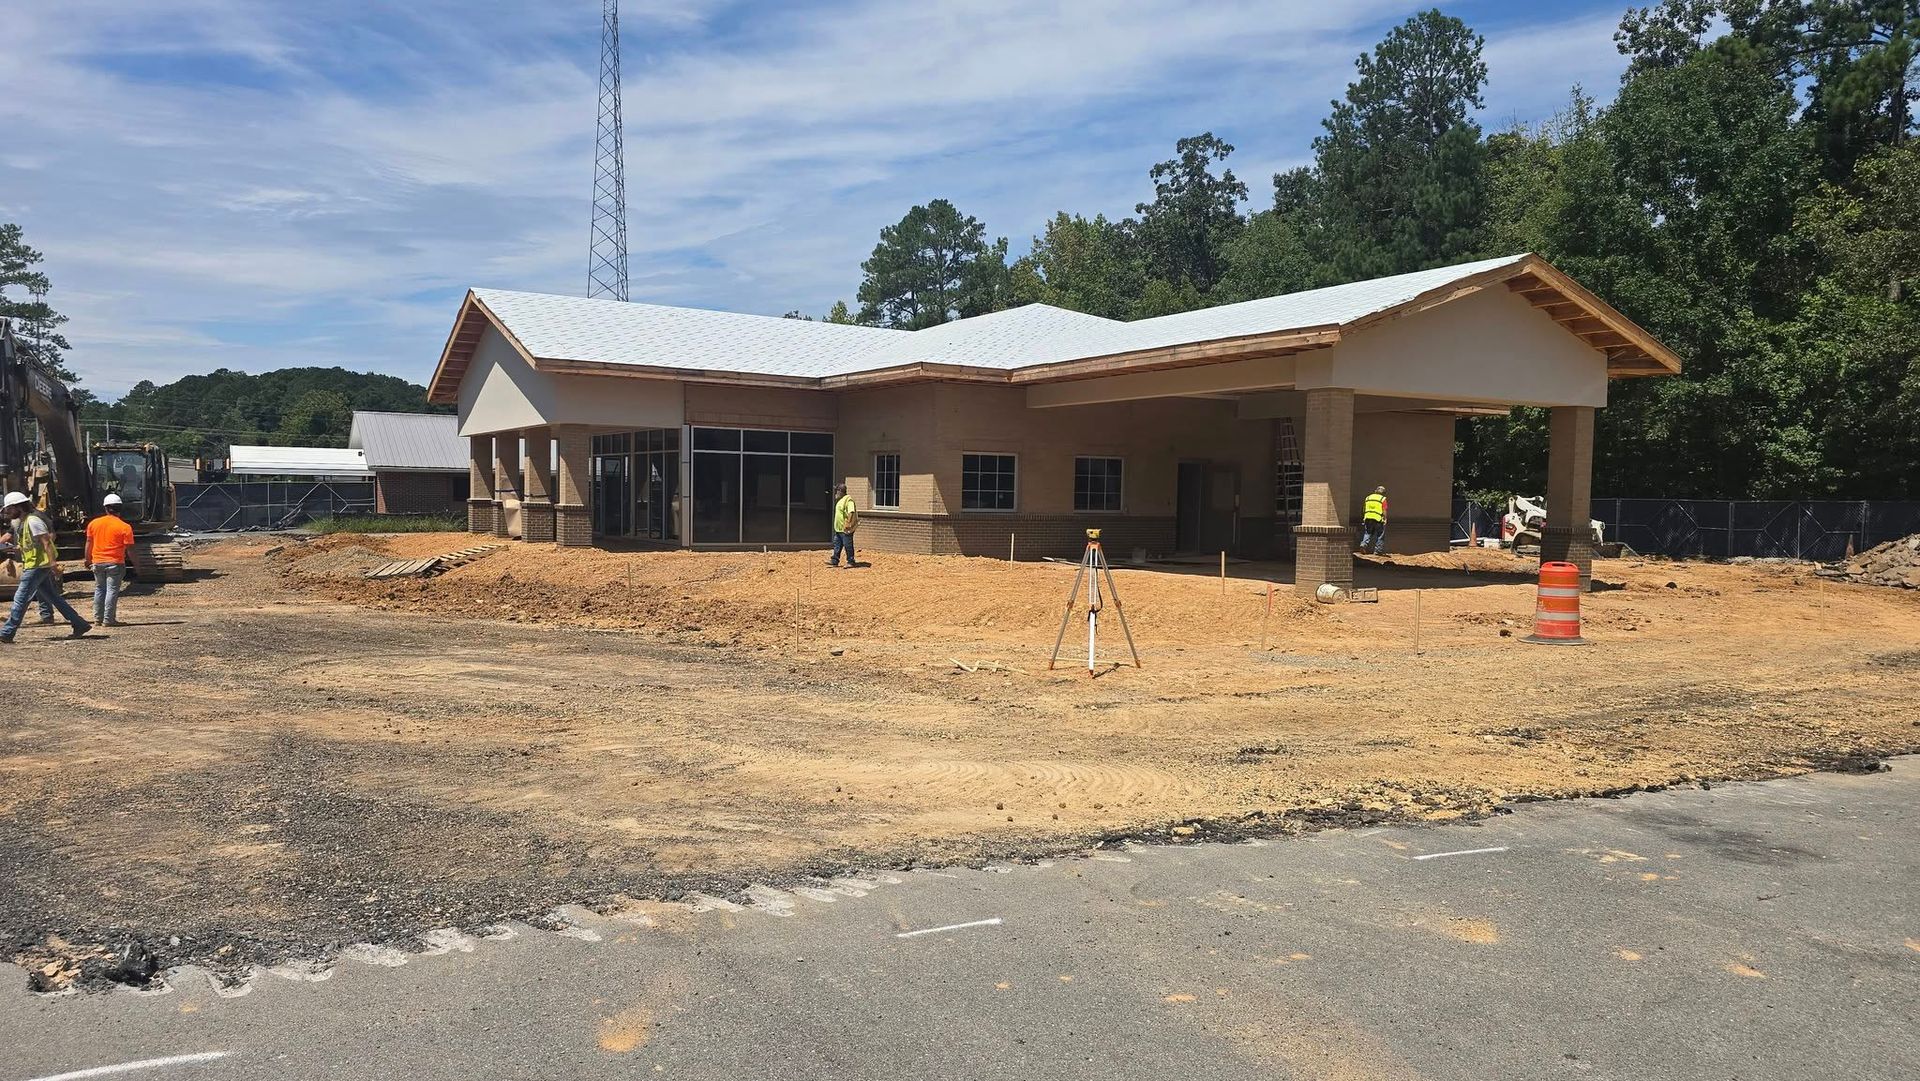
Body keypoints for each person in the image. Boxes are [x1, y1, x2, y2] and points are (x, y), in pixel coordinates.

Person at [1, 491, 91, 643]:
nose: (7, 512)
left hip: (37, 566)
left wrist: (53, 564)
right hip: (35, 565)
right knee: (53, 597)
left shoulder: (33, 521)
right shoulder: (24, 522)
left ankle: (7, 632)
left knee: (20, 598)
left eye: (9, 509)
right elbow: (32, 544)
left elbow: (47, 542)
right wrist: (15, 548)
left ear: (19, 507)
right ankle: (79, 624)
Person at [85, 493, 136, 628]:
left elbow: (89, 542)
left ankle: (97, 619)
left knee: (99, 590)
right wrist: (137, 564)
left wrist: (87, 559)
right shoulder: (125, 527)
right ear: (120, 509)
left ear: (106, 508)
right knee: (112, 591)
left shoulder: (93, 524)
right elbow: (130, 549)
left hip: (97, 563)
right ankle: (108, 620)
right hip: (115, 563)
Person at [827, 483, 858, 568]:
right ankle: (834, 560)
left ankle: (851, 561)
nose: (835, 493)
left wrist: (848, 523)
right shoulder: (840, 500)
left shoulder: (848, 500)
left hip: (845, 529)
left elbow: (851, 511)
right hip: (838, 529)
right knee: (837, 545)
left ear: (840, 491)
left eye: (836, 491)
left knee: (848, 545)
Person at [1359, 485, 1389, 556]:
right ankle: (1378, 551)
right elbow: (1384, 510)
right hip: (1378, 519)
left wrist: (1364, 517)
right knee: (1380, 535)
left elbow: (1364, 509)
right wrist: (1385, 518)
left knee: (1368, 533)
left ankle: (1363, 544)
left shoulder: (1368, 497)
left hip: (1368, 518)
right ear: (1384, 493)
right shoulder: (1382, 499)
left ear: (1375, 491)